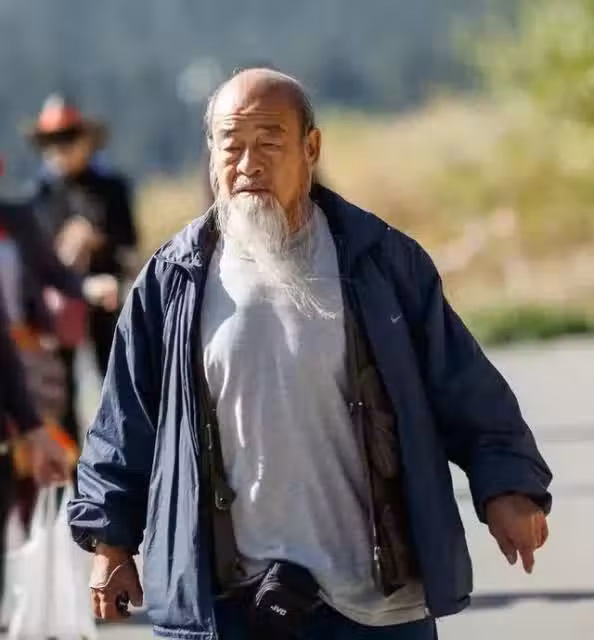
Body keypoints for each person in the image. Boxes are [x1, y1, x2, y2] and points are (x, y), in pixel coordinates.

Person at [69, 69, 552, 640]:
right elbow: (125, 421)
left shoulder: (381, 261)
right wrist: (110, 541)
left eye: (269, 142)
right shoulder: (172, 280)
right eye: (231, 146)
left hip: (377, 600)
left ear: (311, 148)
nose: (248, 164)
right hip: (231, 600)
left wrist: (508, 486)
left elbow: (463, 385)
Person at [25, 94, 139, 442]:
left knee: (115, 378)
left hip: (108, 298)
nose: (61, 148)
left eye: (68, 138)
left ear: (87, 140)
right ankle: (71, 460)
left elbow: (128, 242)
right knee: (61, 390)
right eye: (52, 141)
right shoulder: (39, 196)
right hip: (60, 304)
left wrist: (97, 241)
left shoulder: (111, 188)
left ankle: (121, 449)